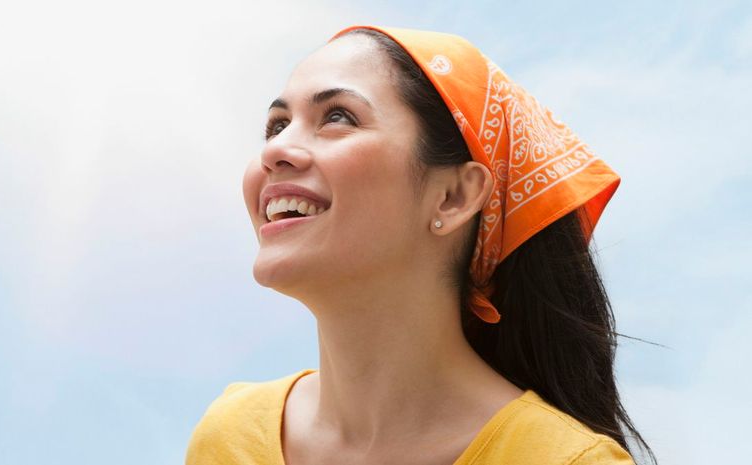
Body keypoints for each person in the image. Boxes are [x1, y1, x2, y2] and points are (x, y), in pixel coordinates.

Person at [185, 25, 657, 465]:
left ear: (453, 197)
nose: (274, 151)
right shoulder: (228, 439)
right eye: (276, 125)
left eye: (337, 117)